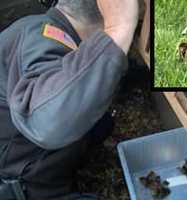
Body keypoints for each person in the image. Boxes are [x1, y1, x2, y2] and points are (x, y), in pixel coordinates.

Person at [0, 0, 139, 199]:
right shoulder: (38, 41)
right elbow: (49, 123)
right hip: (18, 185)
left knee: (102, 123)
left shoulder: (41, 29)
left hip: (27, 156)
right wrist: (119, 27)